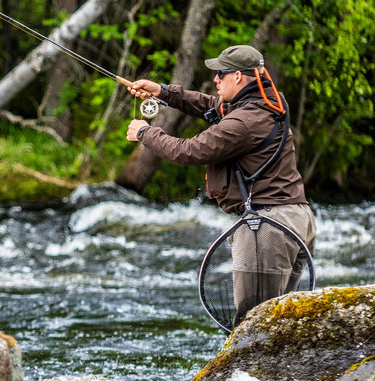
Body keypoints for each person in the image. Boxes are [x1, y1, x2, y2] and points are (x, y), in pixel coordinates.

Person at [124, 44, 315, 323]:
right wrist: (163, 92)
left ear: (238, 76)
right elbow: (210, 106)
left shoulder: (245, 121)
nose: (215, 79)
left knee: (254, 324)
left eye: (220, 74)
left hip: (267, 227)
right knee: (279, 325)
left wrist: (146, 133)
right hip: (296, 218)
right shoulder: (270, 103)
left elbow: (188, 151)